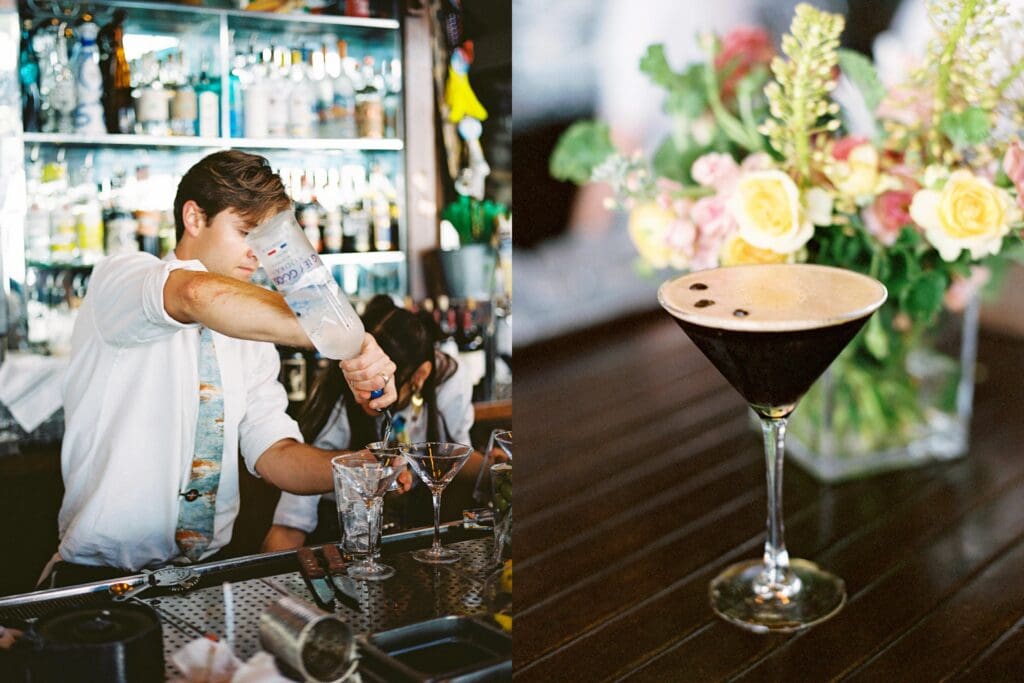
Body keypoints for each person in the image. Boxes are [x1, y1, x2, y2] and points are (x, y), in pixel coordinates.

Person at [41, 150, 398, 587]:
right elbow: (195, 294)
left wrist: (359, 467)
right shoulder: (123, 279)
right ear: (194, 217)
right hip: (99, 581)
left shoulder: (251, 332)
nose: (257, 255)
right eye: (246, 232)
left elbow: (275, 456)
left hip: (204, 579)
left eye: (268, 241)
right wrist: (341, 335)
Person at [261, 295, 477, 552]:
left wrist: (499, 469)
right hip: (345, 546)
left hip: (415, 544)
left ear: (420, 376)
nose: (368, 393)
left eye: (381, 383)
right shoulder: (337, 407)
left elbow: (457, 456)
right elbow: (290, 525)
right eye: (363, 378)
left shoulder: (448, 383)